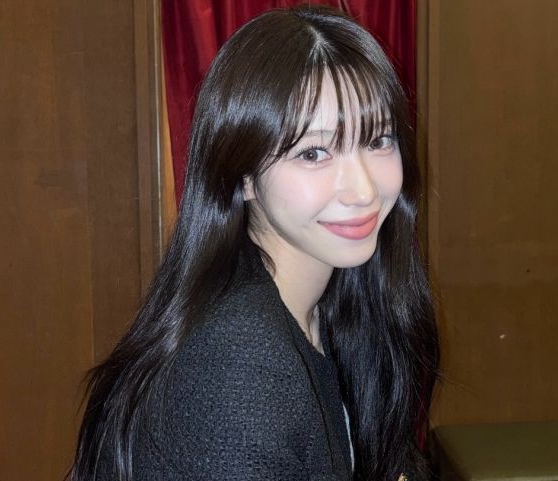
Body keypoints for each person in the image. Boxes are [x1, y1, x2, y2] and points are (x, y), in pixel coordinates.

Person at [66, 4, 439, 481]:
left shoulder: (333, 302)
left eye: (378, 140)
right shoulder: (238, 363)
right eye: (314, 153)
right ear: (242, 176)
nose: (364, 190)